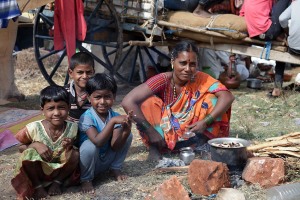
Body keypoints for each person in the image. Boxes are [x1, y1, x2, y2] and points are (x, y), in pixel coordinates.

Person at [121, 40, 235, 161]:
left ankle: (201, 143)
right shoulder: (163, 79)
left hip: (192, 131)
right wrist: (150, 131)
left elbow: (227, 97)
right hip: (161, 132)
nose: (187, 69)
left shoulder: (201, 78)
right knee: (148, 103)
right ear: (172, 62)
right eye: (182, 63)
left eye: (192, 64)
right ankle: (155, 148)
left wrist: (206, 121)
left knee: (212, 99)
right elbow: (128, 101)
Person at [11, 85, 79, 199]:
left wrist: (70, 145)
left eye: (61, 107)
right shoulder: (33, 128)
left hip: (59, 170)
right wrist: (35, 145)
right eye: (51, 108)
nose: (56, 113)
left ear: (68, 108)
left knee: (75, 154)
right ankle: (38, 187)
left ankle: (57, 183)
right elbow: (20, 147)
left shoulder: (73, 128)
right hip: (37, 171)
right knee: (28, 154)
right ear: (42, 110)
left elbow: (73, 150)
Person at [79, 73, 133, 194]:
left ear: (113, 97)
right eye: (97, 97)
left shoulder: (115, 116)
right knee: (89, 146)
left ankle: (115, 169)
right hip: (91, 162)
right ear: (89, 97)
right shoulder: (87, 117)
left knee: (128, 136)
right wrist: (113, 122)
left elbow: (115, 146)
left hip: (105, 161)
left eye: (107, 97)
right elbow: (98, 141)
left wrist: (126, 130)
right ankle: (86, 179)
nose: (102, 102)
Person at [240, 0, 290, 97]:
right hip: (268, 31)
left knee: (280, 47)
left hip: (253, 33)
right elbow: (280, 14)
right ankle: (277, 87)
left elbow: (242, 14)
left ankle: (277, 88)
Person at [64, 51, 95, 123]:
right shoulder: (64, 93)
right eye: (80, 72)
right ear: (71, 73)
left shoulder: (97, 93)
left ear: (93, 72)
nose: (84, 76)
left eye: (88, 72)